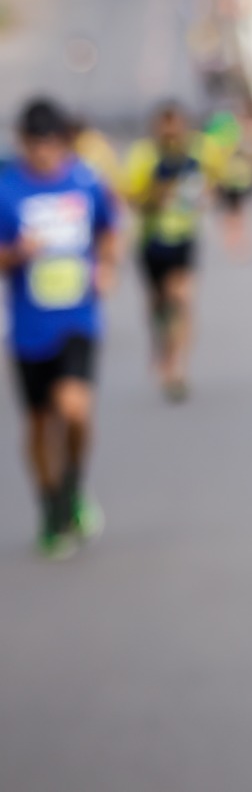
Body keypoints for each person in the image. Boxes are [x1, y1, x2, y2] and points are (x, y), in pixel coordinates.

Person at [0, 99, 119, 559]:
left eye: (51, 143)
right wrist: (15, 254)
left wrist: (106, 266)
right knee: (37, 422)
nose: (44, 153)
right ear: (23, 143)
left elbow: (111, 228)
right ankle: (50, 507)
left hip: (78, 318)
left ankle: (73, 486)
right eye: (35, 144)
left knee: (74, 409)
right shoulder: (7, 189)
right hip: (29, 326)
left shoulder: (85, 180)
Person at [123, 102, 214, 401]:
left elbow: (211, 182)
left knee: (182, 299)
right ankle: (161, 345)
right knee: (159, 303)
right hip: (152, 240)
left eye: (177, 126)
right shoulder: (143, 155)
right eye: (166, 126)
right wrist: (157, 190)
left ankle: (177, 368)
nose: (172, 133)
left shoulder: (197, 153)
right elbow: (131, 196)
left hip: (184, 238)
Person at [207, 106, 252, 261]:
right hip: (229, 179)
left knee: (237, 212)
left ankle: (238, 241)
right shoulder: (230, 135)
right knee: (234, 212)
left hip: (237, 179)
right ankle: (236, 241)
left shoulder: (233, 135)